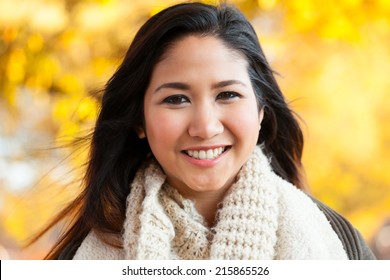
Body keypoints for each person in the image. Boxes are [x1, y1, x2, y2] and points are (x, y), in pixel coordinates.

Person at [39, 2, 375, 260]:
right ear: (138, 121)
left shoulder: (338, 242)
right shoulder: (81, 259)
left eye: (228, 95)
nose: (205, 127)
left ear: (260, 111)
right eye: (176, 99)